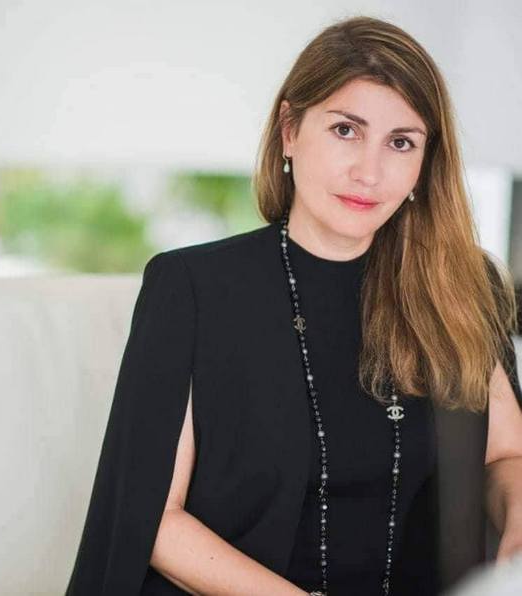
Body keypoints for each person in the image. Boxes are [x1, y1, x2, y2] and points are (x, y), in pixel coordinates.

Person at [65, 15, 522, 596]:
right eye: (345, 130)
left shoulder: (459, 286)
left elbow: (504, 454)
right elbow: (154, 518)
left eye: (400, 142)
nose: (369, 172)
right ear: (289, 131)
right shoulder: (191, 286)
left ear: (424, 164)